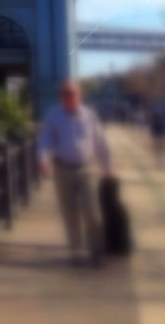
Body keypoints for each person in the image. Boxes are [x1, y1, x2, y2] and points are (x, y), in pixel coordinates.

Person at [38, 80, 111, 266]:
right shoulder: (53, 116)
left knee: (92, 210)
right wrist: (43, 159)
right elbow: (45, 139)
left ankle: (97, 251)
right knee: (69, 213)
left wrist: (107, 166)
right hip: (62, 170)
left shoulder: (89, 116)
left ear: (79, 95)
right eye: (64, 93)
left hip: (86, 169)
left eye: (71, 93)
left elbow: (100, 141)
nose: (67, 97)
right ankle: (76, 252)